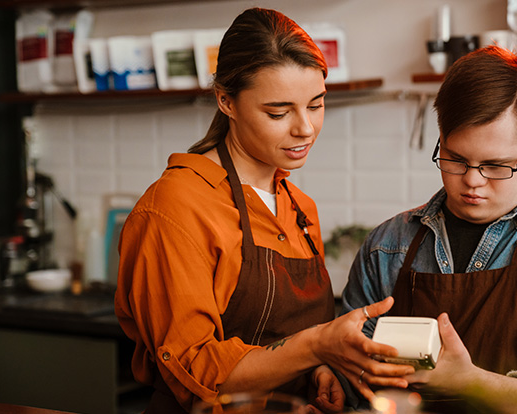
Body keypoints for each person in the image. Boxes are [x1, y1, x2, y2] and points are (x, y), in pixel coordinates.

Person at [114, 8, 414, 414]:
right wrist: (316, 345)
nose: (305, 128)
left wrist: (319, 370)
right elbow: (193, 370)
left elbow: (291, 338)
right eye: (278, 112)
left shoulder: (298, 206)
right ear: (227, 101)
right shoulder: (174, 208)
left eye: (316, 105)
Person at [340, 46, 517, 414]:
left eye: (496, 165)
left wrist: (468, 380)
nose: (472, 181)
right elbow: (351, 376)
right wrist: (334, 376)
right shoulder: (385, 247)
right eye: (455, 159)